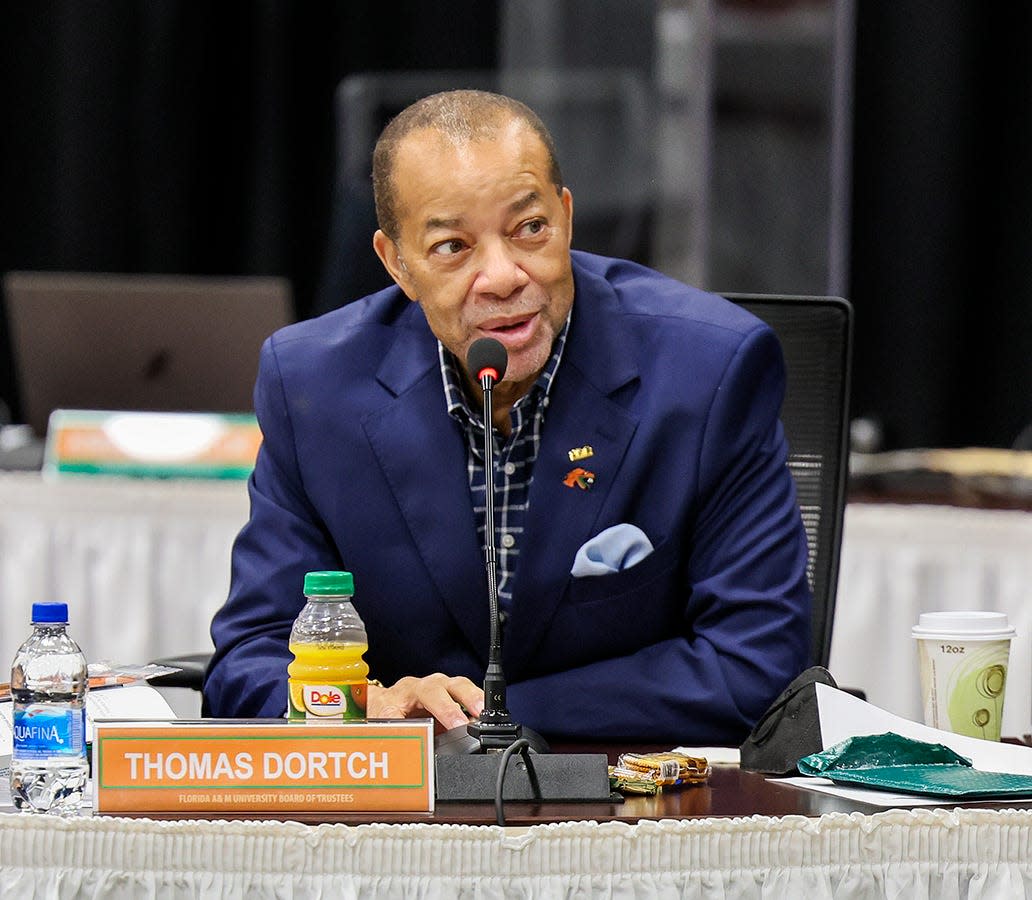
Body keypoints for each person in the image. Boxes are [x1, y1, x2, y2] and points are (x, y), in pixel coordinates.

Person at [205, 89, 812, 744]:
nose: (501, 276)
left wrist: (482, 723)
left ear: (568, 218)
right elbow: (250, 659)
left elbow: (752, 666)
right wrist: (366, 709)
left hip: (628, 805)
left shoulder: (710, 373)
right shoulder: (316, 386)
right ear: (396, 263)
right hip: (402, 819)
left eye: (530, 230)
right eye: (452, 246)